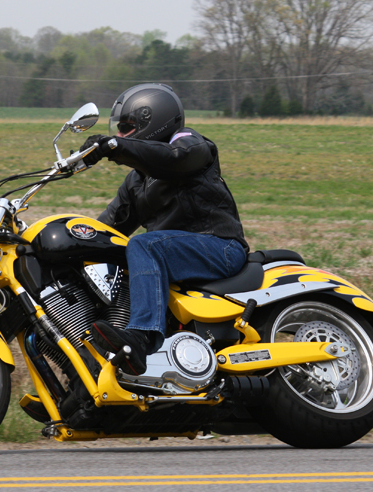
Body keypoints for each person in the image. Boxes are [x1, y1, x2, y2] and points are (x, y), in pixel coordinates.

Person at [79, 83, 249, 376]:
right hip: (176, 254)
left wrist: (114, 146)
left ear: (154, 121)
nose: (120, 135)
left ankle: (142, 336)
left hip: (219, 246)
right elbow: (107, 227)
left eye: (127, 128)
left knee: (144, 245)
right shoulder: (136, 181)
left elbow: (174, 159)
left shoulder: (190, 144)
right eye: (118, 130)